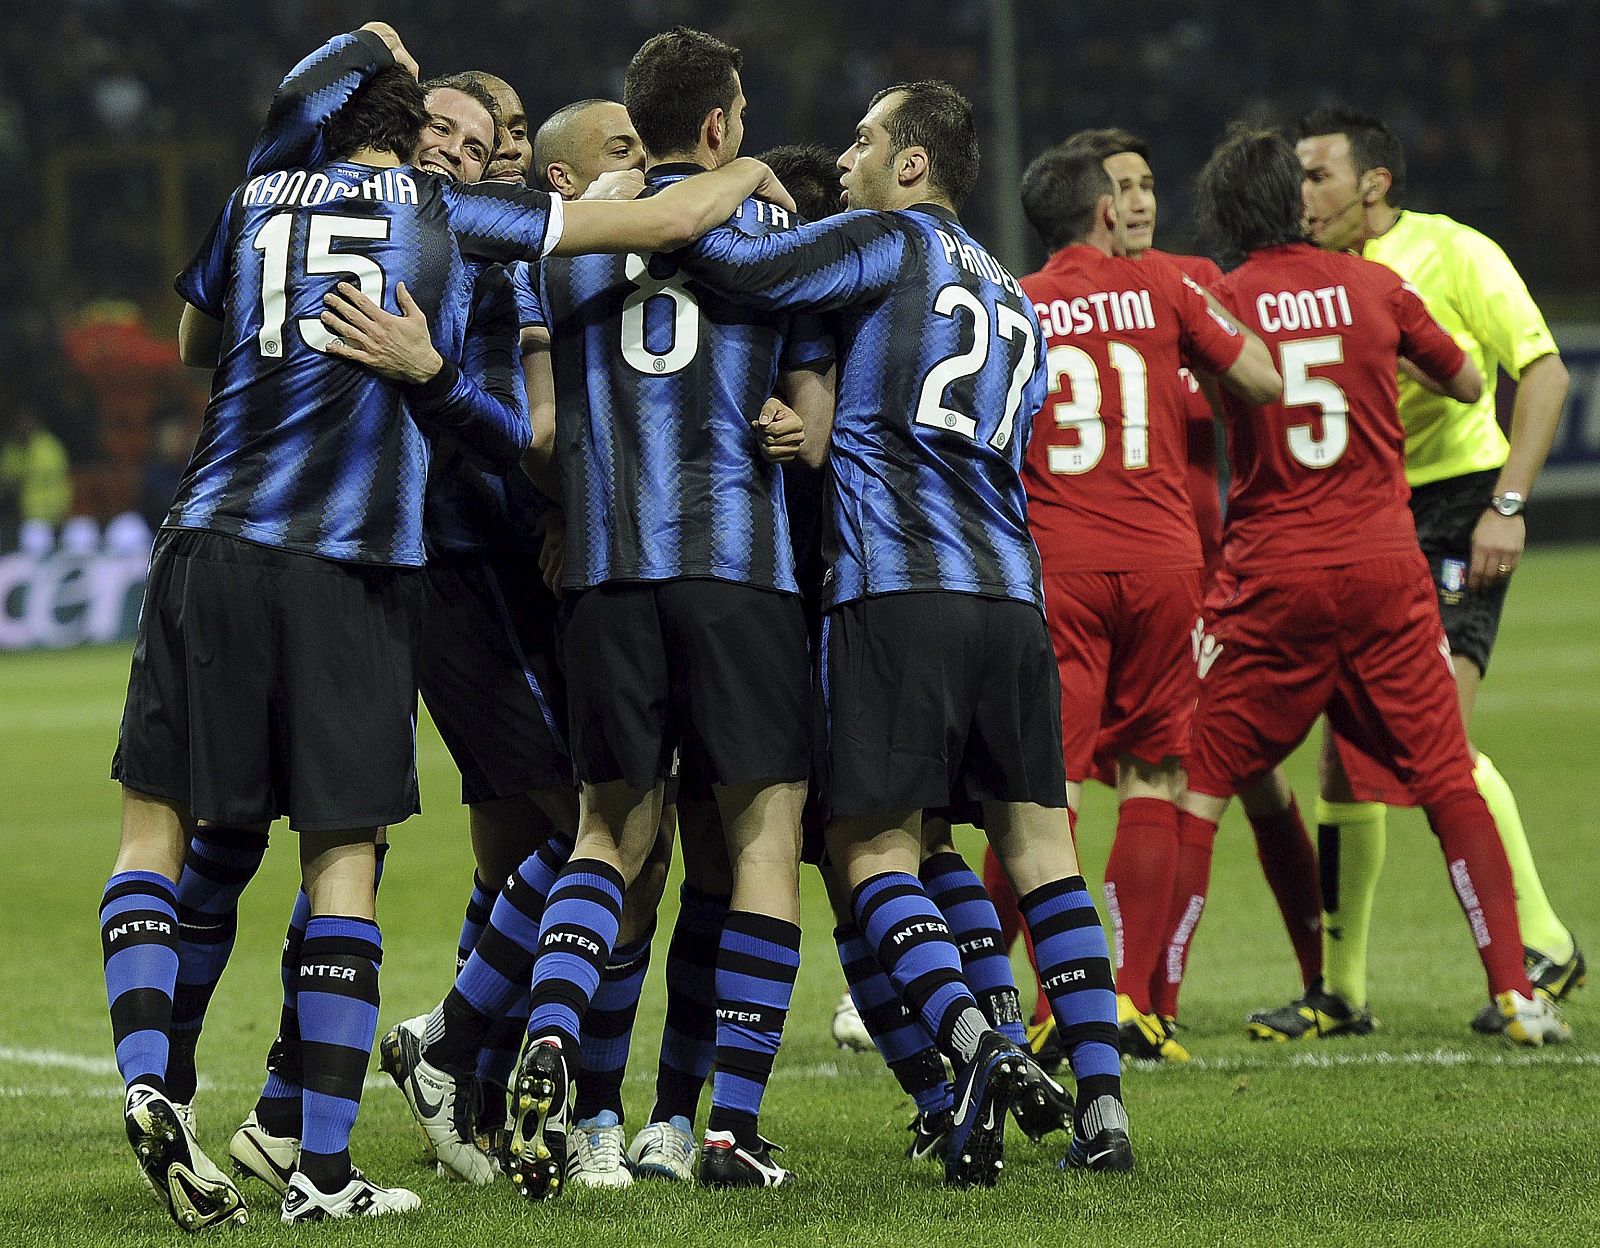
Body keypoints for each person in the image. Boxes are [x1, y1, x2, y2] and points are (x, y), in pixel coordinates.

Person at [102, 22, 796, 1227]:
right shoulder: (445, 218)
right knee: (369, 854)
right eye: (457, 138)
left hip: (217, 539)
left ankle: (190, 1088)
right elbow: (660, 236)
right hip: (378, 561)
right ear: (416, 142)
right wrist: (738, 165)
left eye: (498, 144)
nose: (475, 160)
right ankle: (339, 1137)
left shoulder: (259, 193)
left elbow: (195, 343)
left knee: (184, 830)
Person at [391, 27, 831, 1197]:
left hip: (595, 574)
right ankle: (714, 1125)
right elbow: (817, 356)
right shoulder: (763, 222)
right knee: (757, 839)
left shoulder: (561, 255)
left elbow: (543, 436)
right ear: (724, 124)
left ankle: (554, 1058)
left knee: (604, 835)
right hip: (735, 567)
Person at [679, 80, 1131, 1184]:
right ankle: (1105, 1112)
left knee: (866, 846)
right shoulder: (1016, 296)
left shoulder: (886, 242)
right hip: (1010, 596)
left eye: (866, 139)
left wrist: (716, 184)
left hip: (896, 586)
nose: (848, 156)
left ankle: (974, 1046)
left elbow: (736, 269)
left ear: (915, 164)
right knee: (1040, 854)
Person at [1173, 125, 1569, 1052]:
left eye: (1322, 173)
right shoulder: (1371, 282)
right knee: (1392, 759)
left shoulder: (1451, 251)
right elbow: (1466, 377)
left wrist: (1506, 503)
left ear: (1369, 183)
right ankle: (1368, 988)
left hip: (1439, 509)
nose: (1310, 189)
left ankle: (1541, 946)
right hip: (1380, 528)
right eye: (1299, 177)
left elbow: (1533, 372)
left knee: (1414, 749)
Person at [1014, 145, 1280, 1061]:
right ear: (1098, 210)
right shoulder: (1169, 286)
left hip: (1061, 567)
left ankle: (1052, 1004)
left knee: (1044, 797)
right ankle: (1130, 998)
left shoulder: (1023, 300)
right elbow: (1261, 379)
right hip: (1169, 564)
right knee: (1155, 775)